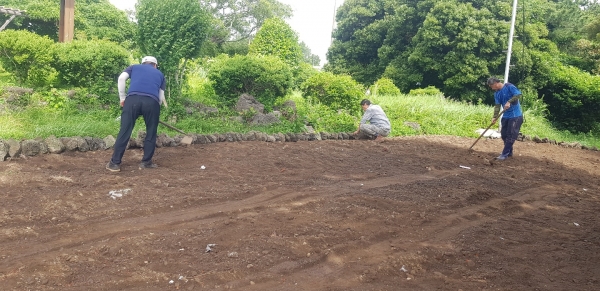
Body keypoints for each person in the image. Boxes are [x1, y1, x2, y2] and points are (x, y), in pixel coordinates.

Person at [106, 56, 168, 172]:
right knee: (151, 132)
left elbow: (121, 79)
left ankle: (114, 163)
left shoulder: (134, 67)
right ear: (155, 65)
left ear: (143, 63)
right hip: (152, 102)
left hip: (132, 100)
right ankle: (146, 162)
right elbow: (160, 97)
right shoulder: (160, 74)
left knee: (125, 130)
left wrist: (122, 98)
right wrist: (154, 110)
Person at [487, 77, 523, 161]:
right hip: (506, 116)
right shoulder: (496, 93)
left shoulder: (509, 86)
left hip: (515, 116)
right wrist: (494, 117)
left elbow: (518, 94)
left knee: (511, 135)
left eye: (492, 86)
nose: (492, 88)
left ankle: (504, 154)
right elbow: (497, 106)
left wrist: (509, 101)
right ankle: (509, 152)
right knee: (504, 135)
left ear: (496, 83)